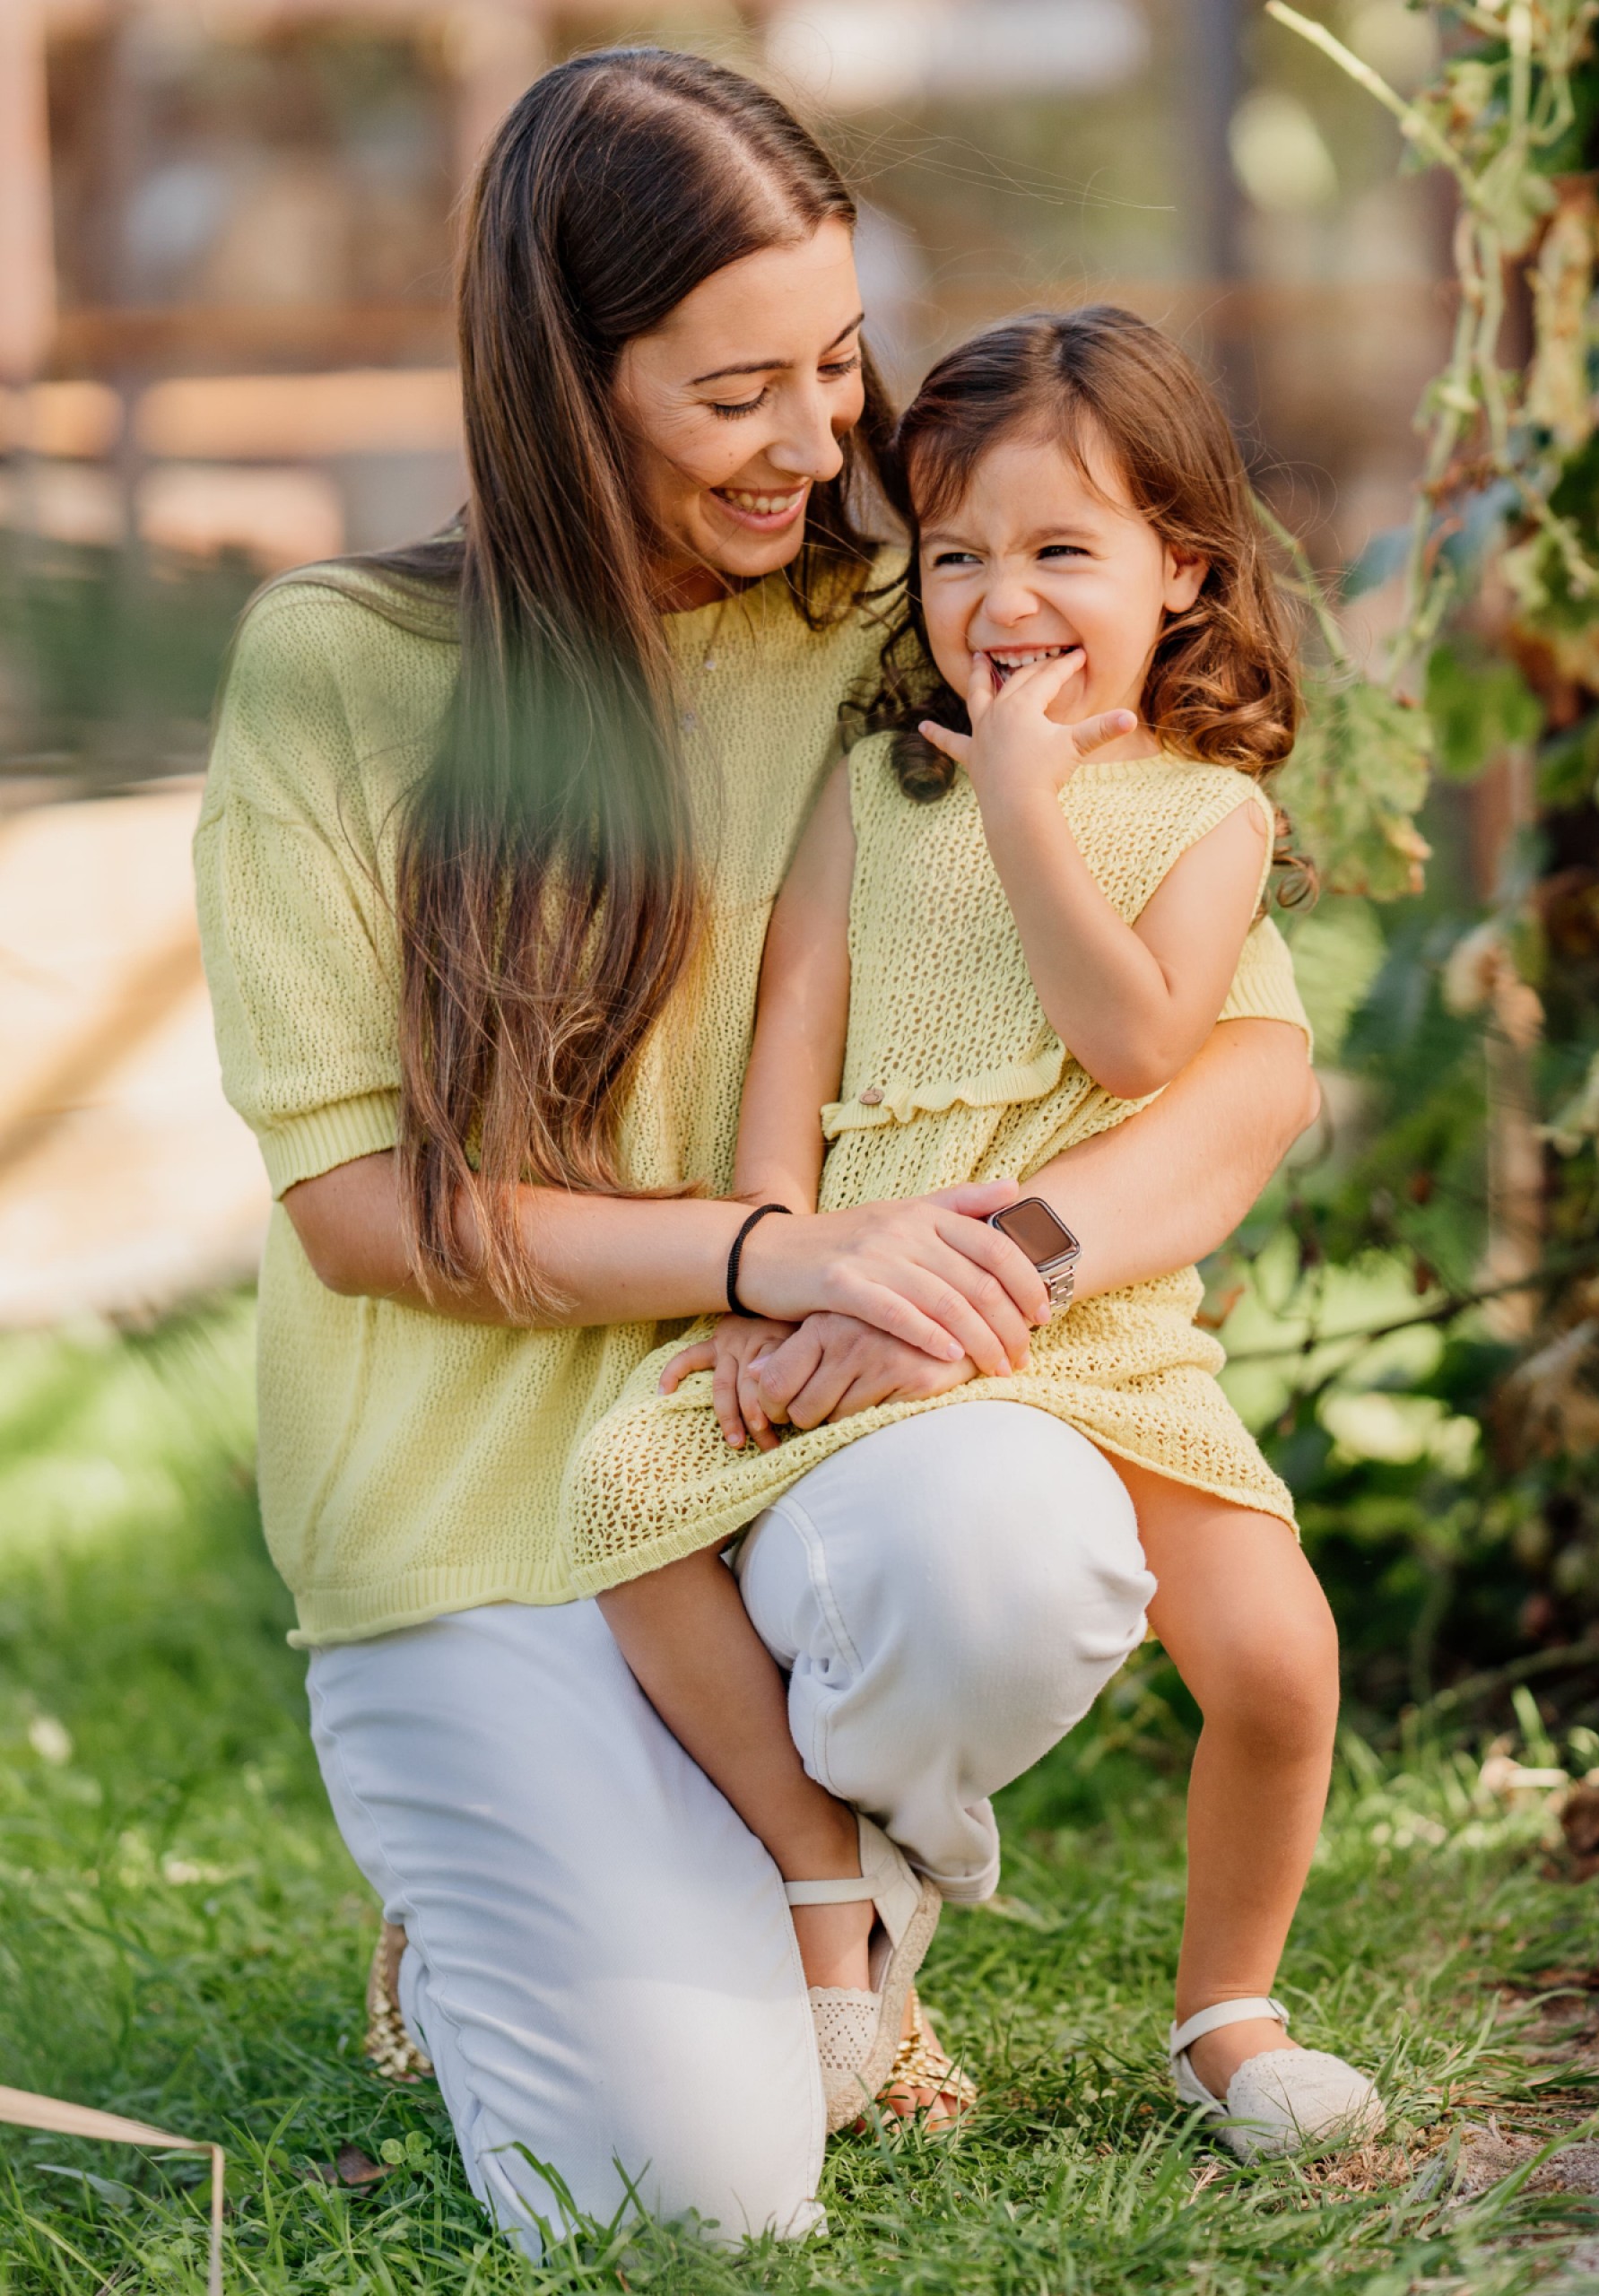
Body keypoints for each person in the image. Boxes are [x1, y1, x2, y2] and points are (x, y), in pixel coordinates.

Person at [194, 49, 1324, 2251]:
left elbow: (1238, 1064)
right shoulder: (334, 676)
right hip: (481, 1527)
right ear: (564, 383)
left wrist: (980, 1259)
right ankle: (547, 1900)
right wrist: (778, 1255)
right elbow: (359, 1211)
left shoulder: (881, 638)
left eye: (837, 361)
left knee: (1012, 1529)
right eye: (740, 393)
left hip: (789, 1453)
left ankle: (833, 1871)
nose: (824, 444)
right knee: (689, 2204)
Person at [579, 308, 1383, 2161]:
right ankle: (816, 1873)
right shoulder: (876, 795)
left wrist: (1030, 802)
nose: (999, 597)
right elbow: (791, 1034)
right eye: (955, 554)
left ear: (1183, 567)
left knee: (1277, 1654)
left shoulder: (1207, 817)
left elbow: (1134, 1042)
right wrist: (771, 1258)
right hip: (870, 1273)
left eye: (1058, 549)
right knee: (627, 1502)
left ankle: (1227, 2005)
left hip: (1083, 1326)